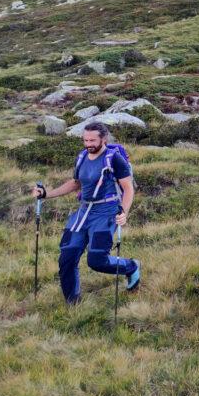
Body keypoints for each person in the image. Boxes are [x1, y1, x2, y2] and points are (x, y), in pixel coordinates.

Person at [32, 122, 140, 303]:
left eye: (92, 140)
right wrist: (46, 194)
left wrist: (124, 213)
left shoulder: (114, 159)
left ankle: (131, 267)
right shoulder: (81, 157)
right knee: (67, 257)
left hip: (106, 213)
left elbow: (128, 189)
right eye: (85, 140)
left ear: (103, 139)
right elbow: (75, 183)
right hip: (83, 213)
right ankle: (73, 304)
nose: (88, 144)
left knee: (96, 260)